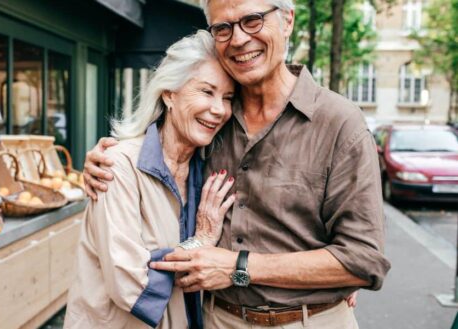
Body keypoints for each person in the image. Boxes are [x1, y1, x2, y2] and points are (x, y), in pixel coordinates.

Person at [82, 0, 390, 327]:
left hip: (309, 320)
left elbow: (363, 260)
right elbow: (159, 154)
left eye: (253, 20)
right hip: (215, 318)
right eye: (223, 28)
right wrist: (105, 161)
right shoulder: (212, 122)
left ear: (287, 21)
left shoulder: (339, 123)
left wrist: (238, 266)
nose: (239, 39)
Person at [63, 31, 236, 329]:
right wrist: (202, 242)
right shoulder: (117, 166)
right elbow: (130, 282)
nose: (219, 109)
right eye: (207, 92)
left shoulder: (206, 167)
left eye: (228, 98)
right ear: (169, 93)